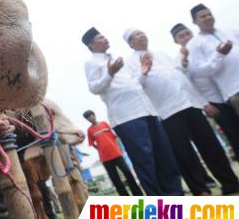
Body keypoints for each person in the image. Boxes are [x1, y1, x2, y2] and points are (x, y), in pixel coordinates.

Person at [124, 28, 239, 195]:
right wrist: (144, 72)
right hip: (167, 112)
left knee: (211, 146)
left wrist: (203, 102)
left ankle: (230, 183)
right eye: (136, 35)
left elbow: (182, 78)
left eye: (143, 33)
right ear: (130, 43)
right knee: (184, 155)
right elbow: (135, 86)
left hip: (190, 104)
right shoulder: (131, 63)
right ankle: (200, 190)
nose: (142, 36)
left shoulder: (162, 54)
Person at [82, 27, 182, 195]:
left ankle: (176, 194)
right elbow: (94, 87)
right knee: (145, 160)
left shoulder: (116, 59)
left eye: (105, 35)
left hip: (147, 111)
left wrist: (144, 72)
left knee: (164, 155)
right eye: (101, 38)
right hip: (127, 117)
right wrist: (109, 73)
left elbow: (135, 83)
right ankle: (158, 200)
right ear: (91, 45)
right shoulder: (92, 62)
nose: (106, 38)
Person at [172, 22, 239, 161]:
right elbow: (188, 86)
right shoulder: (179, 60)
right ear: (176, 41)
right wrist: (205, 104)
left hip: (228, 91)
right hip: (213, 100)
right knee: (233, 133)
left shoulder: (202, 46)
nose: (186, 37)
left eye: (187, 33)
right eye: (181, 36)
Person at [187, 4, 239, 115]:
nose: (208, 17)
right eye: (203, 16)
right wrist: (219, 55)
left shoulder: (230, 32)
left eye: (209, 14)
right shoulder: (194, 44)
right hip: (234, 90)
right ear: (194, 22)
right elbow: (201, 71)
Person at [83, 110, 143, 196]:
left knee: (128, 173)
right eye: (87, 118)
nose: (90, 118)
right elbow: (91, 143)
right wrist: (99, 149)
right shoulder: (89, 130)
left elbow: (115, 136)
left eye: (90, 116)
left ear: (94, 115)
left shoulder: (104, 124)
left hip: (116, 154)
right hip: (105, 158)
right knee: (115, 179)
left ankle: (138, 194)